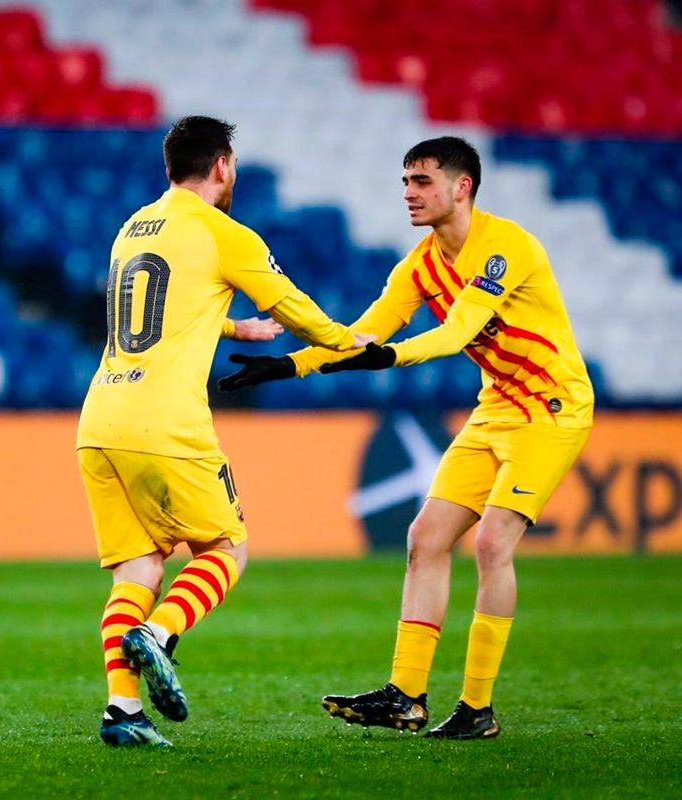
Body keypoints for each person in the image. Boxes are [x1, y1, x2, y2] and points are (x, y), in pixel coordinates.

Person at [219, 136, 593, 739]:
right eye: (405, 182)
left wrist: (386, 357)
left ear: (461, 186)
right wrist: (291, 364)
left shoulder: (506, 248)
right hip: (498, 404)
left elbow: (453, 335)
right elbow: (363, 333)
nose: (408, 193)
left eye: (421, 181)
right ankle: (406, 696)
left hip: (553, 408)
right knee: (426, 536)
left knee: (494, 543)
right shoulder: (420, 262)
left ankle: (477, 709)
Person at [77, 115, 372, 747]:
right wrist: (351, 342)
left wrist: (233, 329)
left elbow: (156, 312)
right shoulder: (224, 232)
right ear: (223, 166)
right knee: (225, 549)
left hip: (100, 419)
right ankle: (157, 637)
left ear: (168, 170)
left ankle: (122, 712)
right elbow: (292, 305)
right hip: (166, 421)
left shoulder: (132, 228)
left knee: (137, 569)